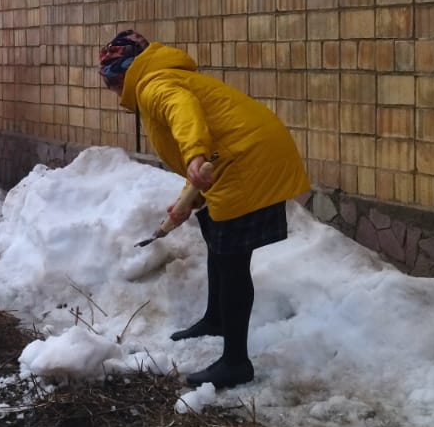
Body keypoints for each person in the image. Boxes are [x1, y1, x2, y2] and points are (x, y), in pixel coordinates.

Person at [98, 30, 310, 389]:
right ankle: (216, 319)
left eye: (111, 82)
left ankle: (236, 363)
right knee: (216, 234)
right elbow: (207, 145)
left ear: (124, 74)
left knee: (232, 260)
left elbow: (183, 112)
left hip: (248, 162)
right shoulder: (162, 77)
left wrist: (194, 153)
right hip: (238, 157)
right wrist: (189, 198)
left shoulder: (153, 85)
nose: (114, 91)